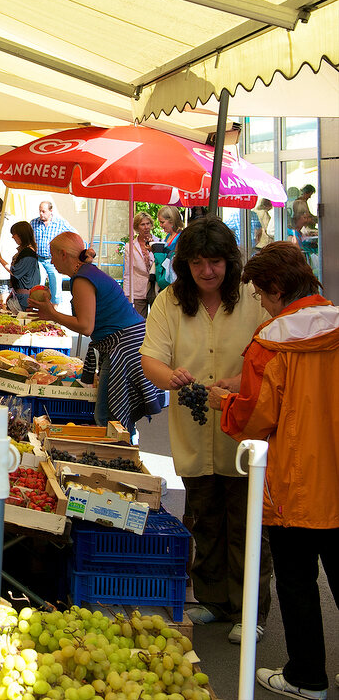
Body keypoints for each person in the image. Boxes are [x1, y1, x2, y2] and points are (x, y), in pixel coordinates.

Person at [205, 242, 339, 700]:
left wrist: (225, 401)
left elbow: (254, 419)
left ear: (277, 288)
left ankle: (307, 677)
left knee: (297, 581)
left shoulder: (271, 342)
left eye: (261, 294)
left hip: (294, 481)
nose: (260, 302)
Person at [138, 215, 272, 644]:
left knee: (248, 526)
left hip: (245, 431)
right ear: (185, 265)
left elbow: (274, 357)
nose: (207, 271)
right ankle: (215, 601)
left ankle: (250, 610)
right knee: (205, 520)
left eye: (215, 262)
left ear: (230, 263)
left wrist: (242, 383)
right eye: (198, 263)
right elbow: (151, 359)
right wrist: (169, 376)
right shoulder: (170, 302)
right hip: (194, 432)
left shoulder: (253, 297)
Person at [32, 232, 161, 434]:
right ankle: (124, 450)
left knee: (108, 417)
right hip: (128, 343)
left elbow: (85, 326)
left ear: (63, 254)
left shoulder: (82, 278)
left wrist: (53, 314)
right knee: (113, 417)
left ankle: (121, 456)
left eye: (52, 255)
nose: (51, 261)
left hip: (124, 347)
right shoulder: (86, 272)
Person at [30, 200, 77, 305]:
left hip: (53, 260)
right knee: (38, 286)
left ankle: (55, 310)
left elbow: (74, 235)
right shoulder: (34, 223)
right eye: (40, 211)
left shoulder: (60, 223)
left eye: (44, 211)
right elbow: (28, 238)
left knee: (55, 286)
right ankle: (37, 307)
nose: (41, 214)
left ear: (51, 211)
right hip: (39, 259)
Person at [122, 211, 155, 317]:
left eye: (148, 223)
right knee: (139, 323)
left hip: (155, 289)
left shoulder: (159, 242)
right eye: (142, 224)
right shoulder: (130, 246)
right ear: (137, 227)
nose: (146, 227)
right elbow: (128, 271)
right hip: (138, 291)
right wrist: (127, 293)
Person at [3, 220, 40, 311]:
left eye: (14, 234)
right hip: (20, 295)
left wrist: (0, 258)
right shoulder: (26, 251)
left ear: (21, 234)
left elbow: (15, 271)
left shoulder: (28, 253)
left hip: (24, 298)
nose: (12, 237)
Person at [152, 205, 185, 290]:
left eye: (162, 222)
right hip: (165, 279)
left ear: (172, 220)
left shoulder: (181, 236)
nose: (160, 225)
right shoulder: (168, 236)